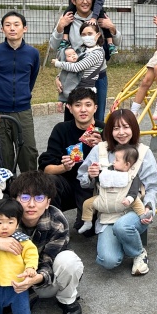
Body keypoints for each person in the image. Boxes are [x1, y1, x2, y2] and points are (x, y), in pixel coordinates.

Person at [0, 172, 85, 314]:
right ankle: (5, 300)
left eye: (39, 198)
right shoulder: (3, 219)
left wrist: (36, 278)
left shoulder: (57, 220)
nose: (31, 204)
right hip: (10, 281)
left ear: (48, 202)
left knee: (69, 260)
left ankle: (67, 299)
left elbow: (48, 260)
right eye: (25, 197)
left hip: (43, 281)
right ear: (15, 200)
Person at [77, 109, 157, 275]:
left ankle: (138, 253)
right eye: (116, 128)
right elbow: (83, 181)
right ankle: (125, 240)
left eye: (126, 127)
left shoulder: (143, 152)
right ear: (110, 130)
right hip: (108, 212)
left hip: (134, 210)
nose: (121, 132)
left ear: (133, 128)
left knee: (122, 226)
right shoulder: (100, 150)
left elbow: (153, 187)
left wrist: (149, 207)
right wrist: (90, 176)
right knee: (108, 260)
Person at [50, 0, 119, 121]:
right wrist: (60, 26)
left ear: (93, 0)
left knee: (96, 118)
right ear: (74, 1)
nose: (85, 2)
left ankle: (95, 136)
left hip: (97, 77)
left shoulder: (100, 18)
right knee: (72, 118)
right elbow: (54, 46)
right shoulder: (68, 20)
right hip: (73, 76)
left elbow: (117, 42)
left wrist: (112, 27)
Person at [0, 10, 40, 173]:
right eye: (7, 25)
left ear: (25, 28)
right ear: (2, 29)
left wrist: (22, 96)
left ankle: (30, 185)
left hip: (23, 111)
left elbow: (31, 79)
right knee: (2, 155)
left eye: (16, 24)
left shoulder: (33, 53)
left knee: (28, 152)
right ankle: (7, 187)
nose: (12, 28)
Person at [38, 87, 104, 218]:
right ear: (70, 108)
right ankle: (53, 223)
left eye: (88, 105)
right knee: (48, 181)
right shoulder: (61, 129)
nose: (83, 109)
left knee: (87, 228)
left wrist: (103, 147)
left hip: (95, 186)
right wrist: (64, 167)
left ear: (95, 108)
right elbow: (46, 169)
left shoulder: (104, 129)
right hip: (68, 185)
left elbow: (121, 163)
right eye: (78, 105)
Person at [77, 144, 147, 234]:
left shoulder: (132, 175)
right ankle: (87, 222)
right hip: (104, 200)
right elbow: (100, 180)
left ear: (127, 164)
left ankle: (143, 216)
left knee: (136, 201)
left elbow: (134, 190)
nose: (113, 162)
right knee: (87, 203)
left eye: (116, 160)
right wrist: (94, 172)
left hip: (123, 201)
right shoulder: (108, 170)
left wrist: (129, 199)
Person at [51, 20, 107, 116]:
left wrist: (58, 63)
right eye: (83, 34)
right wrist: (58, 77)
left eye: (90, 34)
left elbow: (76, 67)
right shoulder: (84, 50)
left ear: (98, 35)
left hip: (86, 92)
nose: (86, 37)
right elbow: (70, 67)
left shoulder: (97, 53)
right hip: (76, 89)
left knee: (84, 118)